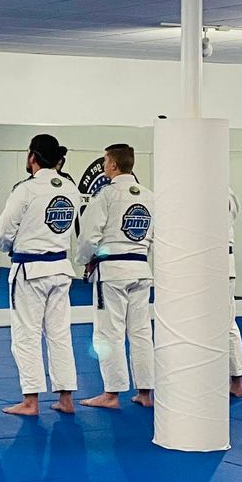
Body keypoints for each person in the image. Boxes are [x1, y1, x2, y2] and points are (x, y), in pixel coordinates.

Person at [0, 132, 79, 416]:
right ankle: (66, 398)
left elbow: (5, 230)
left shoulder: (25, 189)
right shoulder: (70, 188)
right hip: (60, 269)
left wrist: (7, 246)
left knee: (26, 334)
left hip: (30, 270)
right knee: (59, 334)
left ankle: (31, 401)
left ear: (32, 156)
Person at [76, 143, 155, 408]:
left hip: (112, 271)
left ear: (113, 164)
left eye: (105, 160)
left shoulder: (106, 196)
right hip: (141, 269)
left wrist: (85, 261)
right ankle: (145, 393)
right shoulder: (149, 196)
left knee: (109, 333)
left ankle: (112, 393)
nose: (104, 165)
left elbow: (89, 236)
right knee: (141, 331)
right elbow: (154, 235)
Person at [228, 189, 242, 398]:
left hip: (208, 263)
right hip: (226, 262)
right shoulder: (230, 193)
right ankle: (237, 381)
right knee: (228, 324)